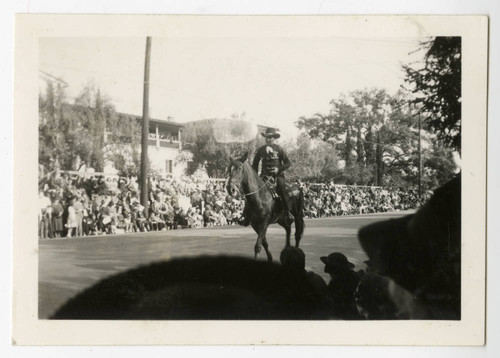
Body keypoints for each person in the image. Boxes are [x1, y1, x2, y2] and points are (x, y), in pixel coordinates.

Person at [238, 127, 293, 226]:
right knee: (251, 191)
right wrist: (254, 177)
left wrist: (278, 169)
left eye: (270, 137)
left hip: (277, 176)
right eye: (267, 137)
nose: (268, 139)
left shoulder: (279, 149)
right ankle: (245, 215)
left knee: (282, 188)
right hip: (264, 176)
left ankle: (288, 212)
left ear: (274, 138)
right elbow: (255, 164)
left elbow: (288, 163)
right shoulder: (261, 150)